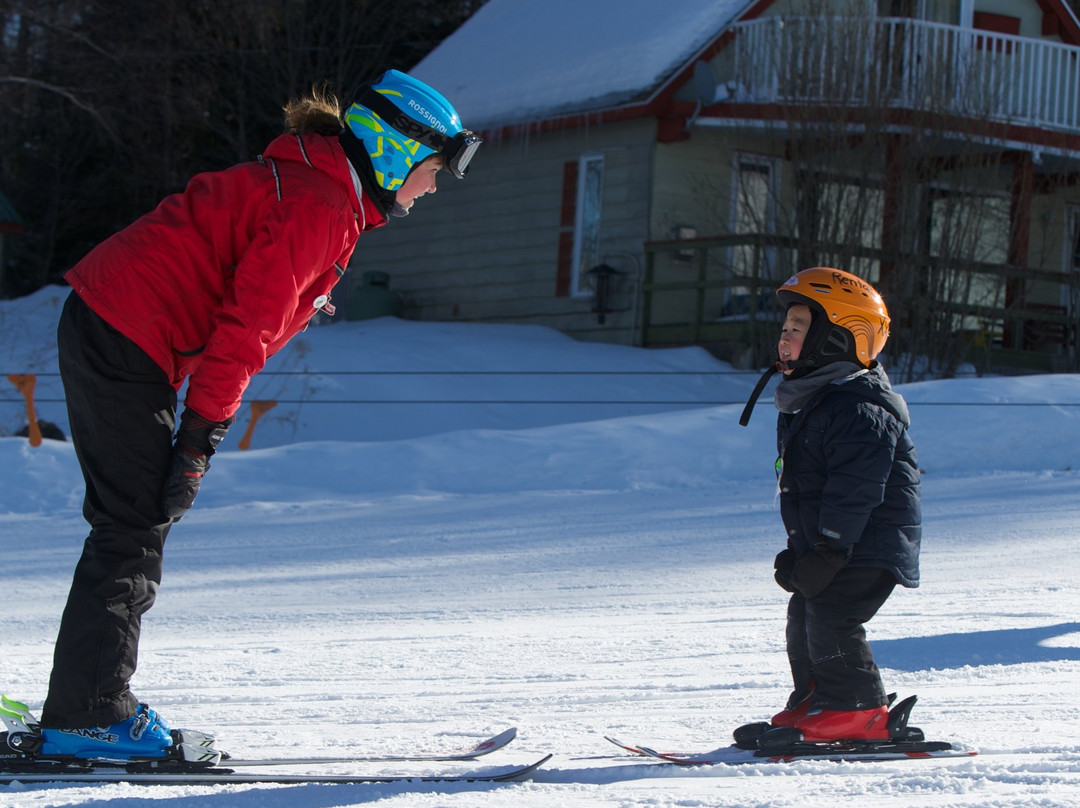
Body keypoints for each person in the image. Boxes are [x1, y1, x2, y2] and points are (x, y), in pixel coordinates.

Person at [37, 69, 481, 761]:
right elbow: (245, 331)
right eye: (431, 171)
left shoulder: (323, 192)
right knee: (133, 524)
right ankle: (88, 714)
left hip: (118, 325)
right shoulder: (319, 205)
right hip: (124, 330)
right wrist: (198, 440)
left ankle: (84, 702)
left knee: (131, 520)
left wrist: (196, 434)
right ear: (394, 152)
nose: (430, 189)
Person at [744, 267, 921, 744]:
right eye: (785, 327)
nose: (784, 338)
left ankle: (857, 709)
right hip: (836, 543)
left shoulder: (859, 407)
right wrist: (802, 549)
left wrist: (829, 550)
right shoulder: (814, 401)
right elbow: (808, 490)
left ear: (839, 337)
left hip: (868, 543)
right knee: (804, 610)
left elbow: (855, 488)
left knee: (832, 616)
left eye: (798, 328)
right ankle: (818, 698)